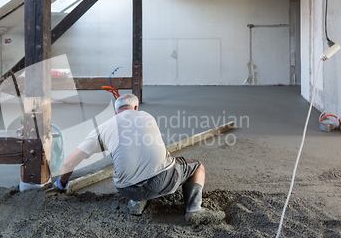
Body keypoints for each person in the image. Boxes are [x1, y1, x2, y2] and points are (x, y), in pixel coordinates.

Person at [53, 94, 224, 226]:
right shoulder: (146, 116)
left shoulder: (103, 128)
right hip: (162, 182)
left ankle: (136, 202)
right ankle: (194, 210)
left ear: (115, 112)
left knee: (127, 160)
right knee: (196, 166)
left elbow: (69, 163)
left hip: (127, 189)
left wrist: (61, 185)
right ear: (136, 107)